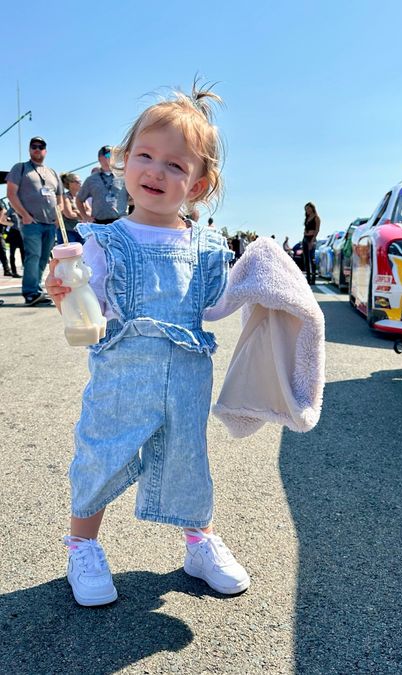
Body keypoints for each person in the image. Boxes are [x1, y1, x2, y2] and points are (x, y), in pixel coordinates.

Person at [45, 83, 250, 607]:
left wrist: (263, 282)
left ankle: (198, 541)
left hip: (186, 377)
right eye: (145, 156)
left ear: (199, 186)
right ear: (121, 162)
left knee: (188, 458)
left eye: (176, 166)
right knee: (100, 453)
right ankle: (83, 545)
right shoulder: (103, 239)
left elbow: (217, 304)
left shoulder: (208, 246)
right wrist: (64, 290)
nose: (156, 171)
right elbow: (87, 308)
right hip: (121, 375)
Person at [6, 137, 63, 305]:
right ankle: (31, 292)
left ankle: (36, 290)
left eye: (41, 146)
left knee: (44, 257)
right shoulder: (20, 168)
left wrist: (58, 218)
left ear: (45, 150)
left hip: (50, 223)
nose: (37, 149)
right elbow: (11, 194)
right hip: (32, 223)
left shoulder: (52, 172)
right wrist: (24, 215)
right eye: (34, 146)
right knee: (34, 255)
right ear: (30, 149)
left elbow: (59, 197)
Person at [76, 146, 128, 225]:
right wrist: (85, 216)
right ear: (100, 158)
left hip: (121, 222)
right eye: (108, 155)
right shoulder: (91, 180)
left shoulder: (124, 177)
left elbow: (136, 197)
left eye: (114, 155)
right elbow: (79, 200)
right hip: (99, 223)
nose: (112, 158)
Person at [58, 173, 86, 244]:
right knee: (70, 255)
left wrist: (77, 211)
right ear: (70, 183)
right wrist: (82, 214)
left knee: (84, 253)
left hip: (81, 231)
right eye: (77, 181)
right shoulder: (65, 197)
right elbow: (69, 214)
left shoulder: (81, 197)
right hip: (68, 232)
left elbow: (90, 212)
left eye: (80, 181)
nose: (80, 183)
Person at [302, 202, 321, 285]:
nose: (307, 210)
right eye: (306, 209)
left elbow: (317, 230)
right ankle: (308, 279)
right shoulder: (307, 218)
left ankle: (313, 279)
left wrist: (312, 241)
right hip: (305, 239)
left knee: (312, 259)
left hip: (311, 239)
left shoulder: (316, 218)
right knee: (306, 260)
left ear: (312, 208)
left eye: (308, 208)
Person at [4, 206, 25, 277]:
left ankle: (26, 270)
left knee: (24, 252)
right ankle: (14, 272)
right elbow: (2, 220)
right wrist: (12, 225)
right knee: (12, 253)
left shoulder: (22, 207)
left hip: (21, 233)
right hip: (14, 233)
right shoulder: (11, 210)